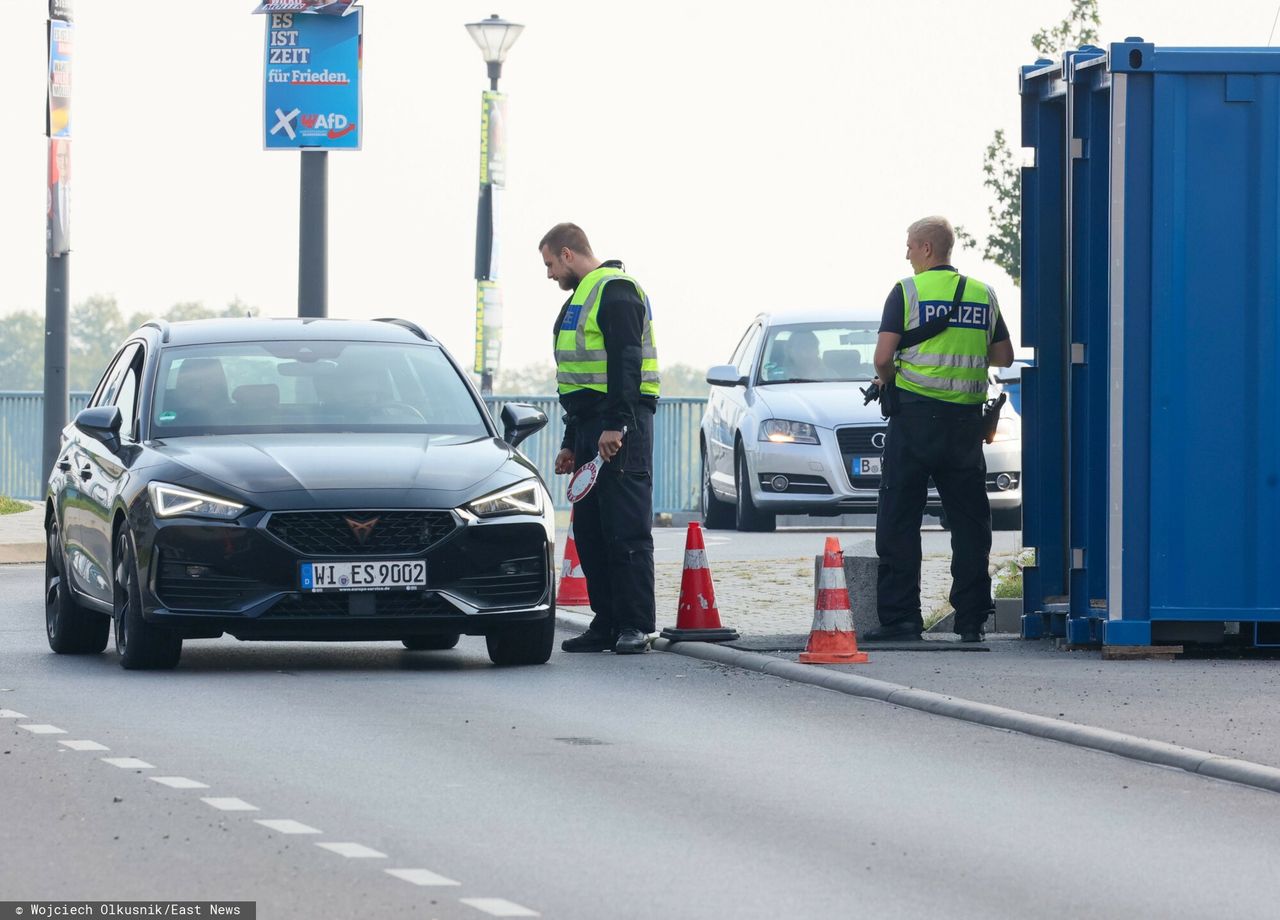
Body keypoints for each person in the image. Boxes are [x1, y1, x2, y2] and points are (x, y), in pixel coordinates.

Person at [867, 216, 1014, 643]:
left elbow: (882, 358)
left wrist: (891, 378)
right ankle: (971, 621)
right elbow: (1002, 355)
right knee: (970, 525)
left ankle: (901, 620)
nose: (906, 253)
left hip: (914, 422)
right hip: (965, 426)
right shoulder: (982, 293)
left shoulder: (906, 292)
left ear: (927, 248)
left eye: (910, 245)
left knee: (899, 520)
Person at [539, 222, 660, 655]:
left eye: (551, 263)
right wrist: (572, 442)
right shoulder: (579, 300)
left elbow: (625, 366)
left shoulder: (616, 291)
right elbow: (577, 381)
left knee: (625, 528)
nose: (550, 274)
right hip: (591, 425)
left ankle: (634, 625)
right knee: (590, 531)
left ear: (568, 254)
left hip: (621, 426)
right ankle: (606, 621)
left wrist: (616, 426)